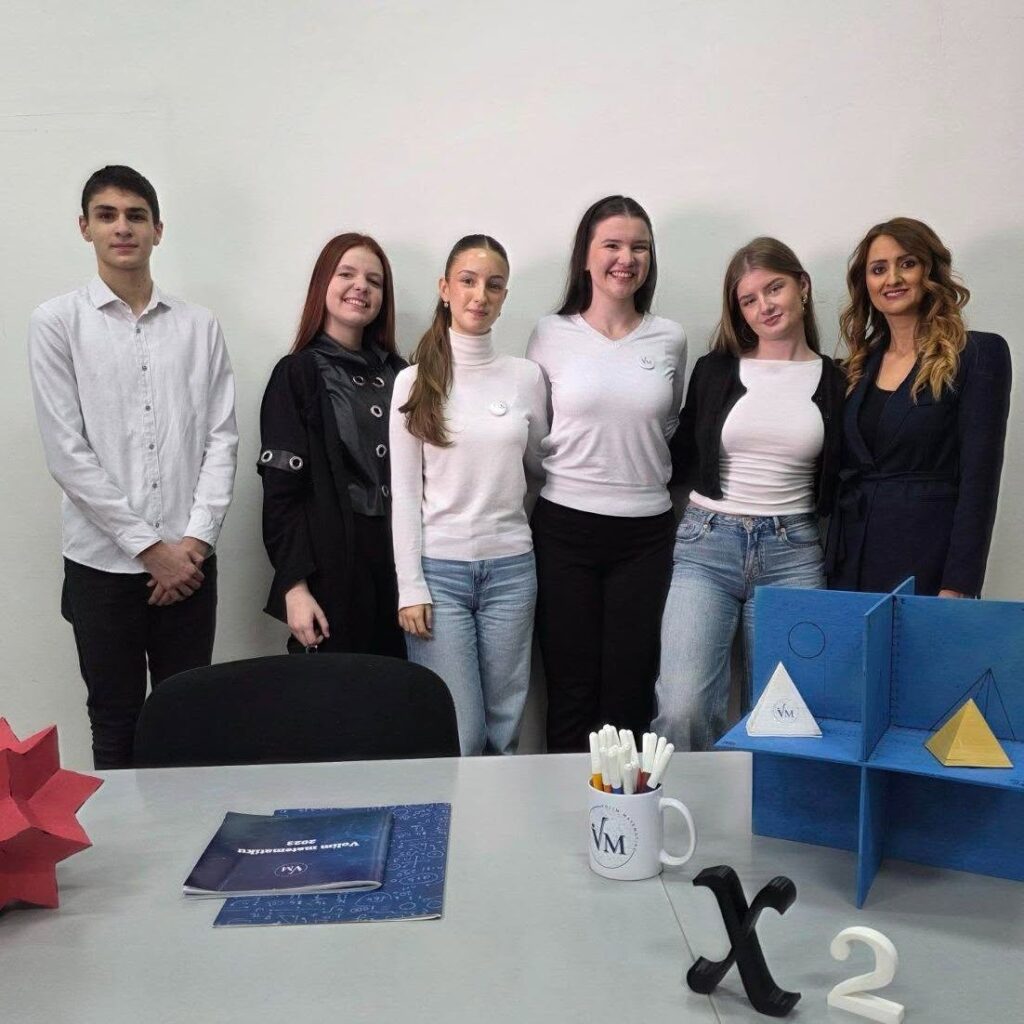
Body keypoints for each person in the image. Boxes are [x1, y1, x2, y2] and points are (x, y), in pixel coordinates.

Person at [28, 165, 238, 769]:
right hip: (101, 566)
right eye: (107, 215)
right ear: (85, 228)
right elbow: (67, 453)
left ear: (157, 230)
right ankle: (126, 835)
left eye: (136, 216)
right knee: (115, 721)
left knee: (188, 721)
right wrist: (150, 550)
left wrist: (193, 544)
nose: (122, 227)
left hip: (191, 563)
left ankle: (187, 832)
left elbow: (221, 438)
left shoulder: (199, 326)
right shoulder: (57, 323)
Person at [652, 238, 845, 751]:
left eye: (774, 288)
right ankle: (691, 800)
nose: (765, 306)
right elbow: (679, 455)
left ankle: (767, 803)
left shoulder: (837, 379)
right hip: (707, 546)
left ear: (802, 286)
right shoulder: (715, 370)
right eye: (749, 299)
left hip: (794, 553)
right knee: (684, 708)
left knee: (788, 713)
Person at [526, 196, 687, 752]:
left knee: (630, 689)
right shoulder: (549, 332)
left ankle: (626, 805)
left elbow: (667, 423)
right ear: (586, 257)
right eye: (612, 245)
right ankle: (563, 802)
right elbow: (538, 429)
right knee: (570, 689)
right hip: (564, 528)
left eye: (639, 247)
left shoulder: (670, 337)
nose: (626, 258)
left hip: (646, 534)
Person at [390, 235, 547, 755]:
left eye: (493, 285)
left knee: (503, 730)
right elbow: (405, 494)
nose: (480, 295)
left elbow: (538, 469)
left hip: (512, 573)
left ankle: (498, 811)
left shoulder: (525, 378)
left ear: (504, 296)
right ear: (445, 289)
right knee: (460, 734)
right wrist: (410, 586)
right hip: (440, 576)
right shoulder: (413, 382)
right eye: (468, 281)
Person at [827, 217, 1011, 597]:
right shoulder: (856, 367)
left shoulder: (977, 355)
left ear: (930, 272)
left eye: (907, 263)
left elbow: (979, 483)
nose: (892, 278)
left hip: (927, 562)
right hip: (851, 558)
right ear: (866, 283)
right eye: (878, 269)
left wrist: (958, 585)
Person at [259, 233, 407, 656]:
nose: (361, 286)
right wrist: (294, 586)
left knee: (402, 690)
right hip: (333, 569)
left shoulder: (403, 375)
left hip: (402, 569)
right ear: (323, 282)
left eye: (374, 281)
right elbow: (281, 494)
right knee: (336, 691)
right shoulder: (297, 374)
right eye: (346, 274)